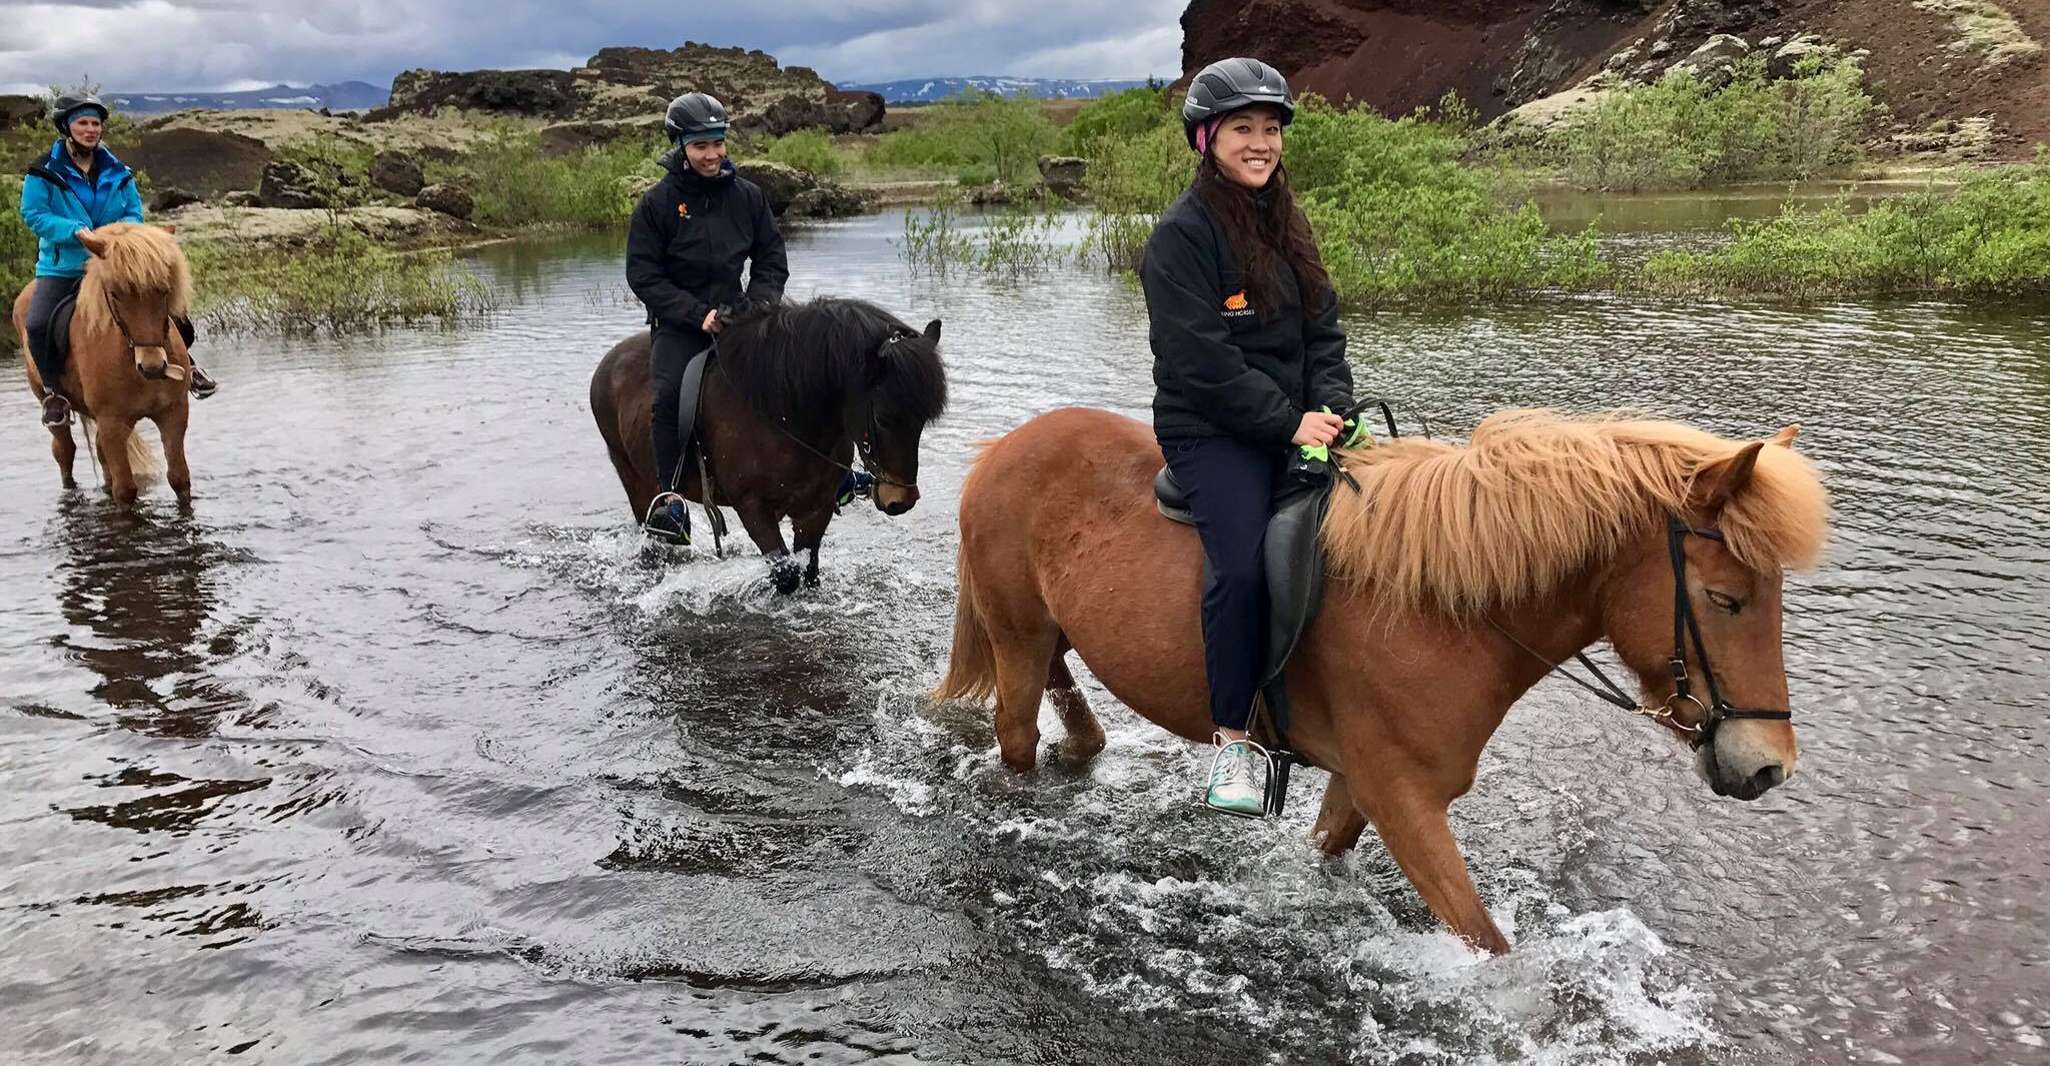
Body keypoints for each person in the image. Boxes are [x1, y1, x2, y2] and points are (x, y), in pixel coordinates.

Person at [1141, 57, 1355, 816]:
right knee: (1241, 566)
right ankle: (1234, 738)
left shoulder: (1290, 222)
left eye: (1270, 130)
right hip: (1213, 429)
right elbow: (1200, 362)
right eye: (1243, 129)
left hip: (1298, 422)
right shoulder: (1179, 237)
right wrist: (1287, 420)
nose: (1261, 143)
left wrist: (1332, 407)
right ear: (1206, 139)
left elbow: (1323, 331)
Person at [624, 91, 789, 542]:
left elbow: (772, 260)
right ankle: (670, 498)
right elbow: (643, 274)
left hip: (744, 318)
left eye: (718, 142)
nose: (713, 154)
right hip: (681, 326)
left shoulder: (749, 197)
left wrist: (757, 307)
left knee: (802, 371)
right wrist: (698, 315)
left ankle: (835, 476)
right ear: (680, 147)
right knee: (670, 397)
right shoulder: (657, 205)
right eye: (701, 146)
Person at [19, 92, 216, 427]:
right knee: (38, 324)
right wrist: (76, 232)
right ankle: (54, 392)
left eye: (96, 123)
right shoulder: (43, 172)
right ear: (67, 126)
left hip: (116, 263)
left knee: (175, 314)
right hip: (63, 266)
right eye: (83, 122)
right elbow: (34, 214)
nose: (91, 129)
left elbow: (132, 213)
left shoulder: (119, 171)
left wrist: (124, 238)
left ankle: (189, 368)